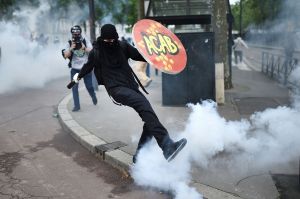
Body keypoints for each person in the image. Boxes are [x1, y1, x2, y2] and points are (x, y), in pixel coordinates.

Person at [72, 24, 187, 163]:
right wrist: (78, 77)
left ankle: (139, 156)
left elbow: (139, 55)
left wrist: (159, 56)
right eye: (107, 40)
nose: (110, 42)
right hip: (116, 89)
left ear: (116, 37)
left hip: (131, 86)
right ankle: (167, 146)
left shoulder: (122, 46)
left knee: (149, 116)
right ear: (102, 39)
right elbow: (87, 66)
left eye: (112, 39)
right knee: (145, 108)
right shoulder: (96, 52)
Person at [62, 25, 97, 112]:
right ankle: (76, 106)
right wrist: (71, 48)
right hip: (75, 70)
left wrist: (84, 48)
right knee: (74, 88)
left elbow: (92, 51)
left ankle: (93, 95)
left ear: (80, 33)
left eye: (77, 33)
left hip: (85, 69)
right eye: (74, 34)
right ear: (72, 34)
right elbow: (65, 56)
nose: (76, 35)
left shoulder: (85, 40)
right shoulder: (69, 42)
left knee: (89, 86)